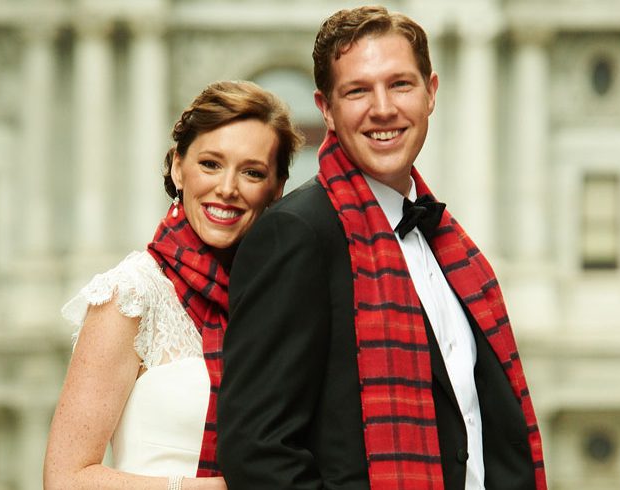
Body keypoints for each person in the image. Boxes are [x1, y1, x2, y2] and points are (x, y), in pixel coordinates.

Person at [217, 6, 546, 490]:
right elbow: (257, 452)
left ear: (431, 93)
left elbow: (481, 430)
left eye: (400, 84)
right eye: (357, 91)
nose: (383, 108)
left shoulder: (451, 247)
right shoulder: (294, 236)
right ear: (326, 108)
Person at [43, 80, 302, 490]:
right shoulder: (130, 296)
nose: (228, 188)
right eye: (211, 164)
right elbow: (67, 479)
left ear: (276, 189)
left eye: (252, 172)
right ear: (179, 168)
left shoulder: (282, 303)